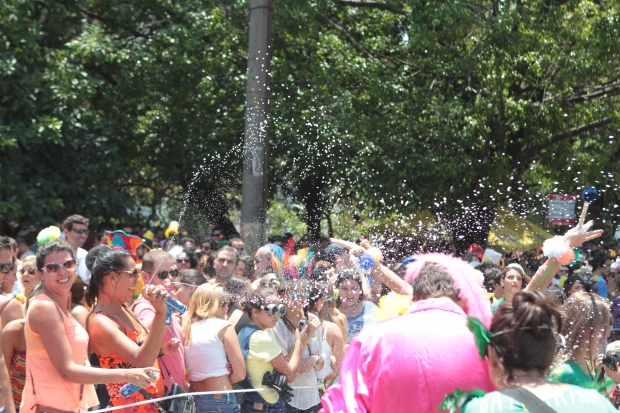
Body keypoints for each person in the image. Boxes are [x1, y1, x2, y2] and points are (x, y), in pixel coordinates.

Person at [320, 254, 496, 413]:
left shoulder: (371, 340)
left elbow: (342, 407)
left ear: (412, 298)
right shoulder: (489, 342)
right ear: (465, 298)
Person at [22, 239, 157, 413]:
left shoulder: (57, 303)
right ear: (41, 274)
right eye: (53, 268)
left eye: (68, 264)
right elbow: (67, 371)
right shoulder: (44, 307)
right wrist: (127, 375)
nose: (62, 272)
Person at [460, 290, 617, 412]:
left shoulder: (482, 408)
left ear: (492, 354)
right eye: (602, 326)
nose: (607, 333)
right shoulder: (593, 399)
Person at [87, 249, 171, 413]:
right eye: (133, 274)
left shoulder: (124, 308)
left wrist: (161, 349)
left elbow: (140, 346)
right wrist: (160, 313)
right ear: (112, 278)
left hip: (152, 404)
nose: (138, 280)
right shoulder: (100, 321)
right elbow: (142, 361)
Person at [238, 288, 312, 413]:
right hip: (266, 407)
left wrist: (302, 341)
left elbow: (282, 363)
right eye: (272, 310)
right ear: (255, 312)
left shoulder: (245, 331)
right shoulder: (262, 338)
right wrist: (299, 343)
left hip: (253, 403)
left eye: (279, 309)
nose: (276, 316)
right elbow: (290, 375)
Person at [183, 284, 245, 413]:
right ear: (209, 303)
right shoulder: (224, 326)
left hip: (193, 398)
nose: (226, 307)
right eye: (222, 303)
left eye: (227, 303)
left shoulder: (186, 328)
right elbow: (240, 373)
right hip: (220, 398)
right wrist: (223, 377)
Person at [132, 249, 187, 390]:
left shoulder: (166, 304)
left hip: (176, 392)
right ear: (145, 277)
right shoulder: (144, 306)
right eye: (163, 274)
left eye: (173, 273)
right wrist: (162, 311)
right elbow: (144, 331)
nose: (170, 278)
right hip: (161, 393)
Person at [273, 280, 323, 413]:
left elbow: (321, 365)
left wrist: (315, 360)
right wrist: (306, 339)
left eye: (304, 293)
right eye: (293, 294)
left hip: (312, 397)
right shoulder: (276, 323)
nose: (300, 298)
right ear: (282, 296)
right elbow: (282, 365)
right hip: (288, 397)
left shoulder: (313, 320)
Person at [547, 291, 617, 386]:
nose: (607, 333)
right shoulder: (564, 372)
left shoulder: (583, 363)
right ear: (582, 326)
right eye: (602, 325)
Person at [306, 283, 345, 390]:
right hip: (322, 388)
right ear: (319, 302)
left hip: (296, 389)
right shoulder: (332, 329)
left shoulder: (291, 326)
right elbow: (343, 365)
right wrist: (331, 378)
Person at [334, 270, 376, 340]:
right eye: (344, 289)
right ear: (337, 290)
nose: (349, 293)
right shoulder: (332, 313)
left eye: (354, 288)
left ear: (360, 290)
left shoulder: (371, 308)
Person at [62, 214, 90, 282]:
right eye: (79, 231)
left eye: (86, 232)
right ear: (66, 232)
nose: (83, 235)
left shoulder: (85, 255)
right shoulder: (56, 255)